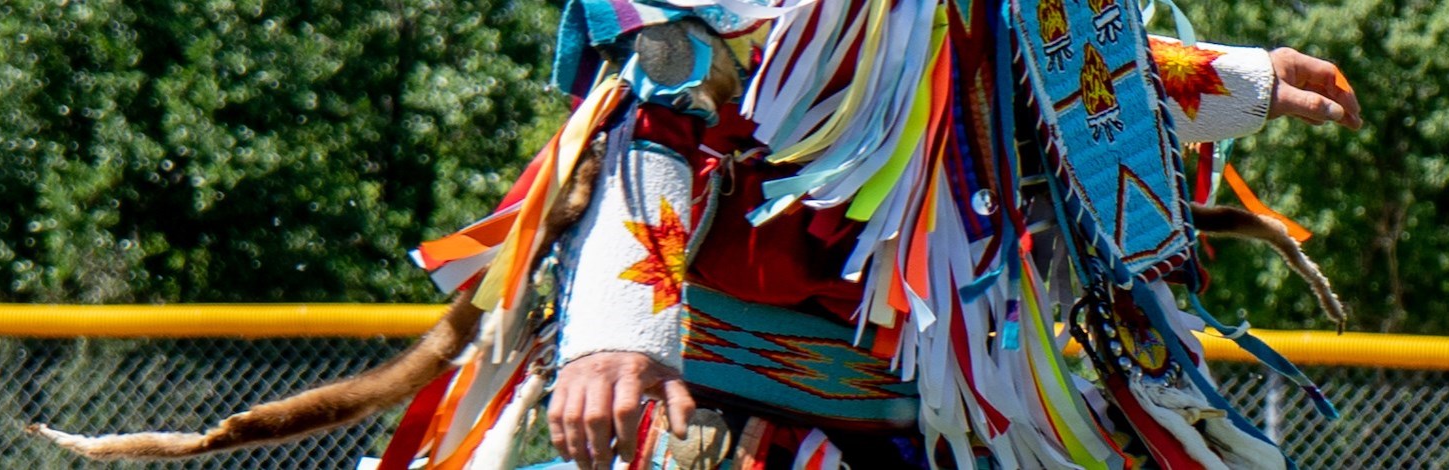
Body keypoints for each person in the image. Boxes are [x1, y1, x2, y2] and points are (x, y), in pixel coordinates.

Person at [404, 1, 1362, 468]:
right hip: (703, 404)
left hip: (904, 416)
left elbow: (1052, 80)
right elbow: (654, 113)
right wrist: (614, 341)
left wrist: (1242, 82)